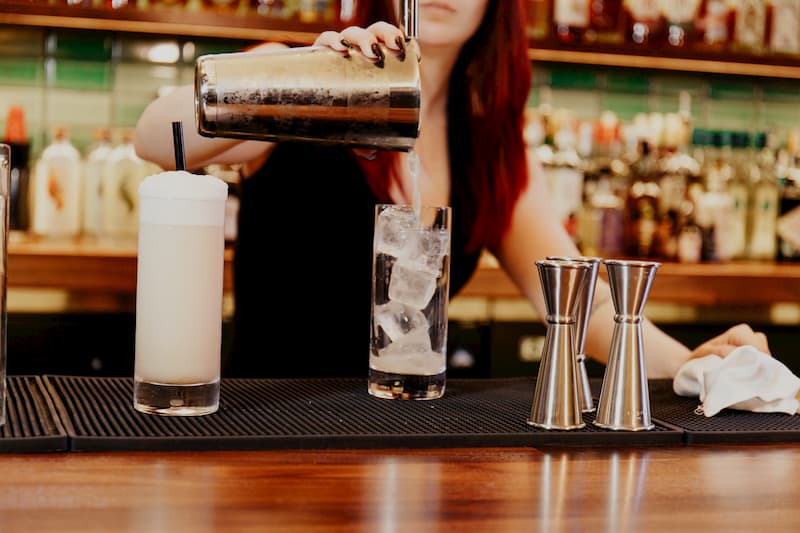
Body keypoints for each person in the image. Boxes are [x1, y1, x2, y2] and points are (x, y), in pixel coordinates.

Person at [134, 0, 769, 379]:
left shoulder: (492, 147)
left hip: (408, 449)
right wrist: (309, 80)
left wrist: (693, 366)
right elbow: (155, 138)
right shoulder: (301, 77)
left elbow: (586, 308)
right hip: (269, 445)